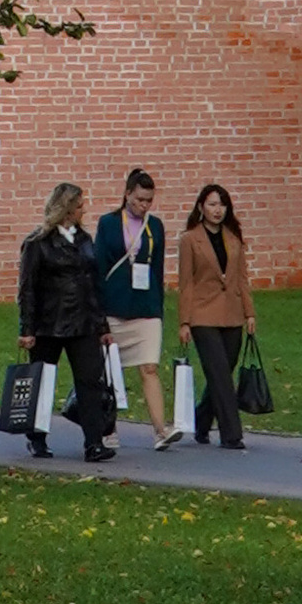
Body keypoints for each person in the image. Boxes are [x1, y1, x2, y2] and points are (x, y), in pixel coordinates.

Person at [16, 178, 116, 462]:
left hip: (83, 322)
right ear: (67, 209)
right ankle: (37, 437)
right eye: (79, 205)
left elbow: (94, 285)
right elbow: (28, 288)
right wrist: (27, 329)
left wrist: (102, 326)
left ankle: (94, 442)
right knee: (43, 380)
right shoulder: (38, 243)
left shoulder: (85, 240)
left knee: (90, 381)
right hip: (50, 323)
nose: (84, 210)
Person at [93, 166, 180, 449]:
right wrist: (99, 316)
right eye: (139, 199)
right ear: (127, 194)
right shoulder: (107, 224)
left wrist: (158, 308)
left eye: (149, 201)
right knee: (109, 372)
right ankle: (108, 429)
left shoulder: (155, 227)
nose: (144, 206)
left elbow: (157, 270)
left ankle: (160, 430)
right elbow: (99, 268)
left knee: (150, 367)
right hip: (114, 307)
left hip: (145, 307)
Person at [178, 181, 252, 451]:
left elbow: (242, 279)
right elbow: (186, 283)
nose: (217, 210)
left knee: (223, 370)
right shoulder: (190, 240)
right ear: (201, 207)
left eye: (221, 204)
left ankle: (201, 419)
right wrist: (184, 321)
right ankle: (231, 434)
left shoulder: (233, 239)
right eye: (211, 204)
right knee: (220, 375)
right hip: (202, 315)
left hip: (232, 316)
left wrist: (249, 313)